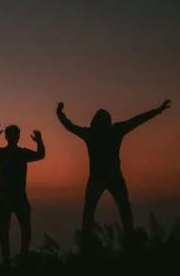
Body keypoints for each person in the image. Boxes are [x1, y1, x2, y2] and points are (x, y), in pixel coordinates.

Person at [56, 99, 172, 246]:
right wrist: (158, 110)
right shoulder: (115, 130)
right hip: (114, 177)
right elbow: (137, 120)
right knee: (124, 208)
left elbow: (70, 126)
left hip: (97, 178)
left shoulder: (91, 133)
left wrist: (60, 113)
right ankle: (129, 237)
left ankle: (86, 241)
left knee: (90, 210)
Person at [0, 123, 45, 265]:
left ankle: (7, 259)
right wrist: (39, 141)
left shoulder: (2, 153)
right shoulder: (22, 153)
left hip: (6, 196)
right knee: (24, 228)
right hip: (18, 196)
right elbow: (41, 154)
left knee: (5, 229)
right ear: (18, 137)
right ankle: (22, 255)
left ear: (6, 137)